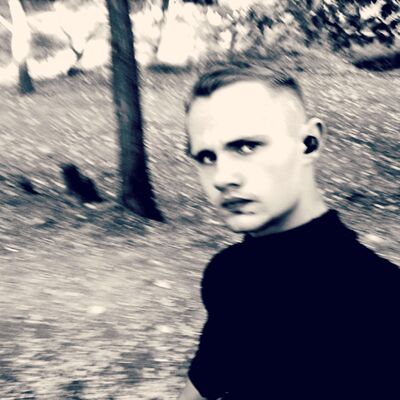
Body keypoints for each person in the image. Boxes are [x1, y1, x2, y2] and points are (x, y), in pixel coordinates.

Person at [178, 60, 399, 400]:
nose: (222, 177)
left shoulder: (381, 297)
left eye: (246, 146)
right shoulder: (228, 273)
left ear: (309, 143)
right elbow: (208, 377)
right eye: (207, 157)